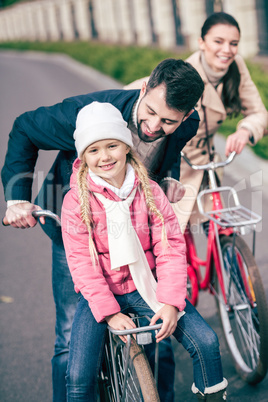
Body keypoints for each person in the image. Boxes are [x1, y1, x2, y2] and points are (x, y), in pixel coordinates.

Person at [1, 58, 204, 401]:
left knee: (156, 328)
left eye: (168, 120)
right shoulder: (90, 116)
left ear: (185, 116)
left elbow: (169, 155)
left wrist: (168, 185)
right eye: (150, 112)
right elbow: (24, 127)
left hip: (137, 237)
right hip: (81, 233)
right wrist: (16, 200)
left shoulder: (186, 124)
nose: (154, 126)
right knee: (70, 337)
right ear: (144, 88)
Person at [61, 101, 227, 401]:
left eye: (112, 145)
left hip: (145, 285)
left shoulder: (150, 190)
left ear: (126, 146)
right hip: (101, 293)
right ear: (83, 157)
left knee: (206, 341)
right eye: (94, 150)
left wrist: (170, 302)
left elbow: (170, 247)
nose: (105, 156)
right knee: (78, 376)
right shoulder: (75, 201)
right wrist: (110, 313)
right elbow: (81, 263)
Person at [125, 12, 268, 233]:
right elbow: (141, 91)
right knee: (172, 236)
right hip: (176, 162)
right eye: (218, 41)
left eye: (234, 43)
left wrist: (246, 130)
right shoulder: (186, 74)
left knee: (219, 227)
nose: (227, 50)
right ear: (201, 42)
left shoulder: (236, 67)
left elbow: (259, 113)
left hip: (207, 162)